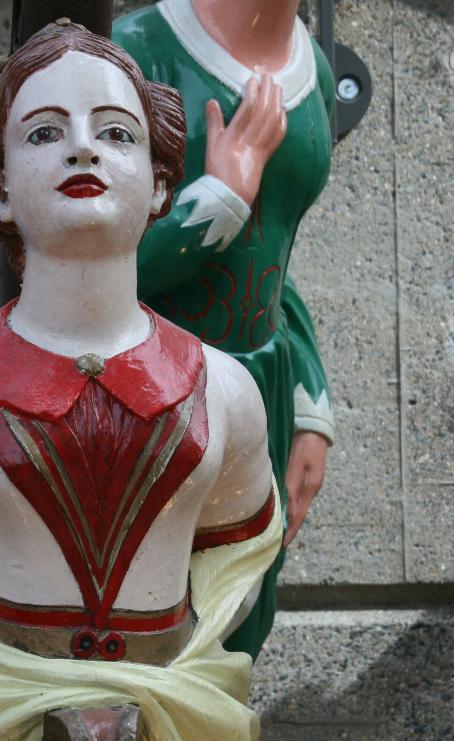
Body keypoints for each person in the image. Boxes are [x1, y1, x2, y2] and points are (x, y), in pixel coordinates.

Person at [0, 22, 281, 740]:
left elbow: (235, 555)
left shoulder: (226, 389)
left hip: (172, 704)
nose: (82, 147)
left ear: (160, 184)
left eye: (117, 134)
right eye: (44, 134)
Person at [113, 0, 336, 659]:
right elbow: (70, 270)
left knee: (240, 626)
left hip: (260, 390)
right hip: (146, 399)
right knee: (143, 637)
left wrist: (309, 401)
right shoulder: (133, 56)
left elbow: (276, 254)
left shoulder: (312, 70)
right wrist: (218, 202)